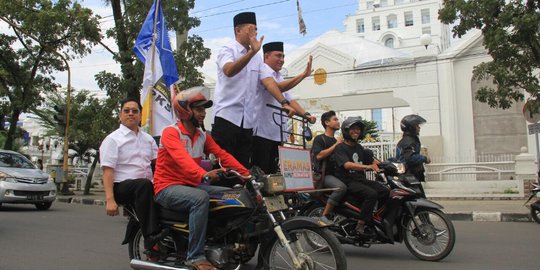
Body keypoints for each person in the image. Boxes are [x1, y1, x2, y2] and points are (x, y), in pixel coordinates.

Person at [153, 87, 250, 270]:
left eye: (204, 110)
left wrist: (246, 173)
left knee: (234, 195)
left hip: (191, 185)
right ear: (185, 111)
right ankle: (195, 256)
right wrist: (203, 174)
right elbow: (181, 159)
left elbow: (222, 155)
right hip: (167, 188)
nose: (203, 114)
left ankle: (223, 242)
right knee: (200, 199)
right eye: (199, 109)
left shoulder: (202, 135)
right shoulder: (171, 133)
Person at [212, 12, 296, 168]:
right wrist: (251, 52)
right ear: (238, 30)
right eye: (251, 29)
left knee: (243, 168)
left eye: (256, 30)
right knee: (224, 168)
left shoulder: (257, 58)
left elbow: (269, 83)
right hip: (227, 117)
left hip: (248, 122)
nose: (255, 34)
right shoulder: (227, 50)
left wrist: (284, 102)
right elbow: (229, 70)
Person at [99, 98, 164, 253]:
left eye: (135, 111)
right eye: (126, 111)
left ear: (140, 115)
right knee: (144, 184)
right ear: (120, 115)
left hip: (145, 187)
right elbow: (108, 171)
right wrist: (110, 200)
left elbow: (158, 165)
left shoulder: (148, 139)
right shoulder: (113, 139)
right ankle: (150, 236)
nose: (130, 114)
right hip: (121, 187)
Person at [252, 41, 315, 174]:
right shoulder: (262, 70)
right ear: (267, 56)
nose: (282, 60)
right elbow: (277, 87)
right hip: (262, 132)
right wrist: (302, 75)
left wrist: (306, 115)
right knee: (261, 172)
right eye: (278, 56)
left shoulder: (279, 76)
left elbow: (290, 100)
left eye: (283, 56)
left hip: (277, 132)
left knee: (274, 172)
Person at [333, 117, 389, 237]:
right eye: (353, 129)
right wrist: (368, 167)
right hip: (347, 181)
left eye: (358, 129)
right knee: (371, 194)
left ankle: (376, 218)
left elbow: (373, 161)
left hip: (360, 179)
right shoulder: (340, 148)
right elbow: (347, 165)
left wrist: (388, 164)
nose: (356, 131)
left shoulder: (359, 147)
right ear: (346, 131)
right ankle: (361, 224)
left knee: (385, 191)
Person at [311, 111, 347, 225]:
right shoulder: (320, 139)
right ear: (327, 122)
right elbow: (319, 155)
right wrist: (336, 145)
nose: (338, 121)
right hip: (324, 175)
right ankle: (324, 216)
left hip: (338, 174)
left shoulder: (338, 140)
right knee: (340, 188)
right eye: (335, 119)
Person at [396, 114, 431, 196]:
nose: (419, 128)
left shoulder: (407, 140)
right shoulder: (409, 141)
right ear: (411, 127)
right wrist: (425, 158)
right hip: (409, 176)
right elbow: (410, 157)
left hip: (408, 175)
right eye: (417, 125)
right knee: (419, 200)